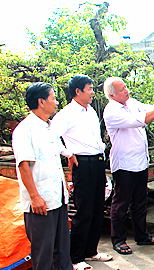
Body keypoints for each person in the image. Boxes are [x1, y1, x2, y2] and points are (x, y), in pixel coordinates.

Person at [103, 77, 154, 255]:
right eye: (122, 89)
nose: (126, 91)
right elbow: (140, 120)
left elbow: (150, 110)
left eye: (125, 87)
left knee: (139, 202)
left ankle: (142, 236)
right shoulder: (112, 112)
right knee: (121, 204)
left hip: (140, 161)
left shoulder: (130, 102)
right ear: (112, 95)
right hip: (124, 164)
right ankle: (119, 240)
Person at [51, 75, 113, 270]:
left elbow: (96, 141)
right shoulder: (67, 113)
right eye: (89, 88)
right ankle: (75, 258)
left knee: (96, 210)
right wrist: (67, 152)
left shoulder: (91, 111)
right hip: (82, 163)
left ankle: (91, 251)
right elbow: (52, 135)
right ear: (78, 91)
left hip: (96, 162)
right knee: (84, 211)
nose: (92, 92)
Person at [12, 82, 75, 270]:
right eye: (53, 98)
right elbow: (24, 166)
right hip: (41, 204)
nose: (56, 102)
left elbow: (55, 159)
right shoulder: (25, 130)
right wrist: (35, 197)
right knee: (44, 255)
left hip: (58, 198)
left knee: (62, 252)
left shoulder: (51, 127)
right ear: (41, 101)